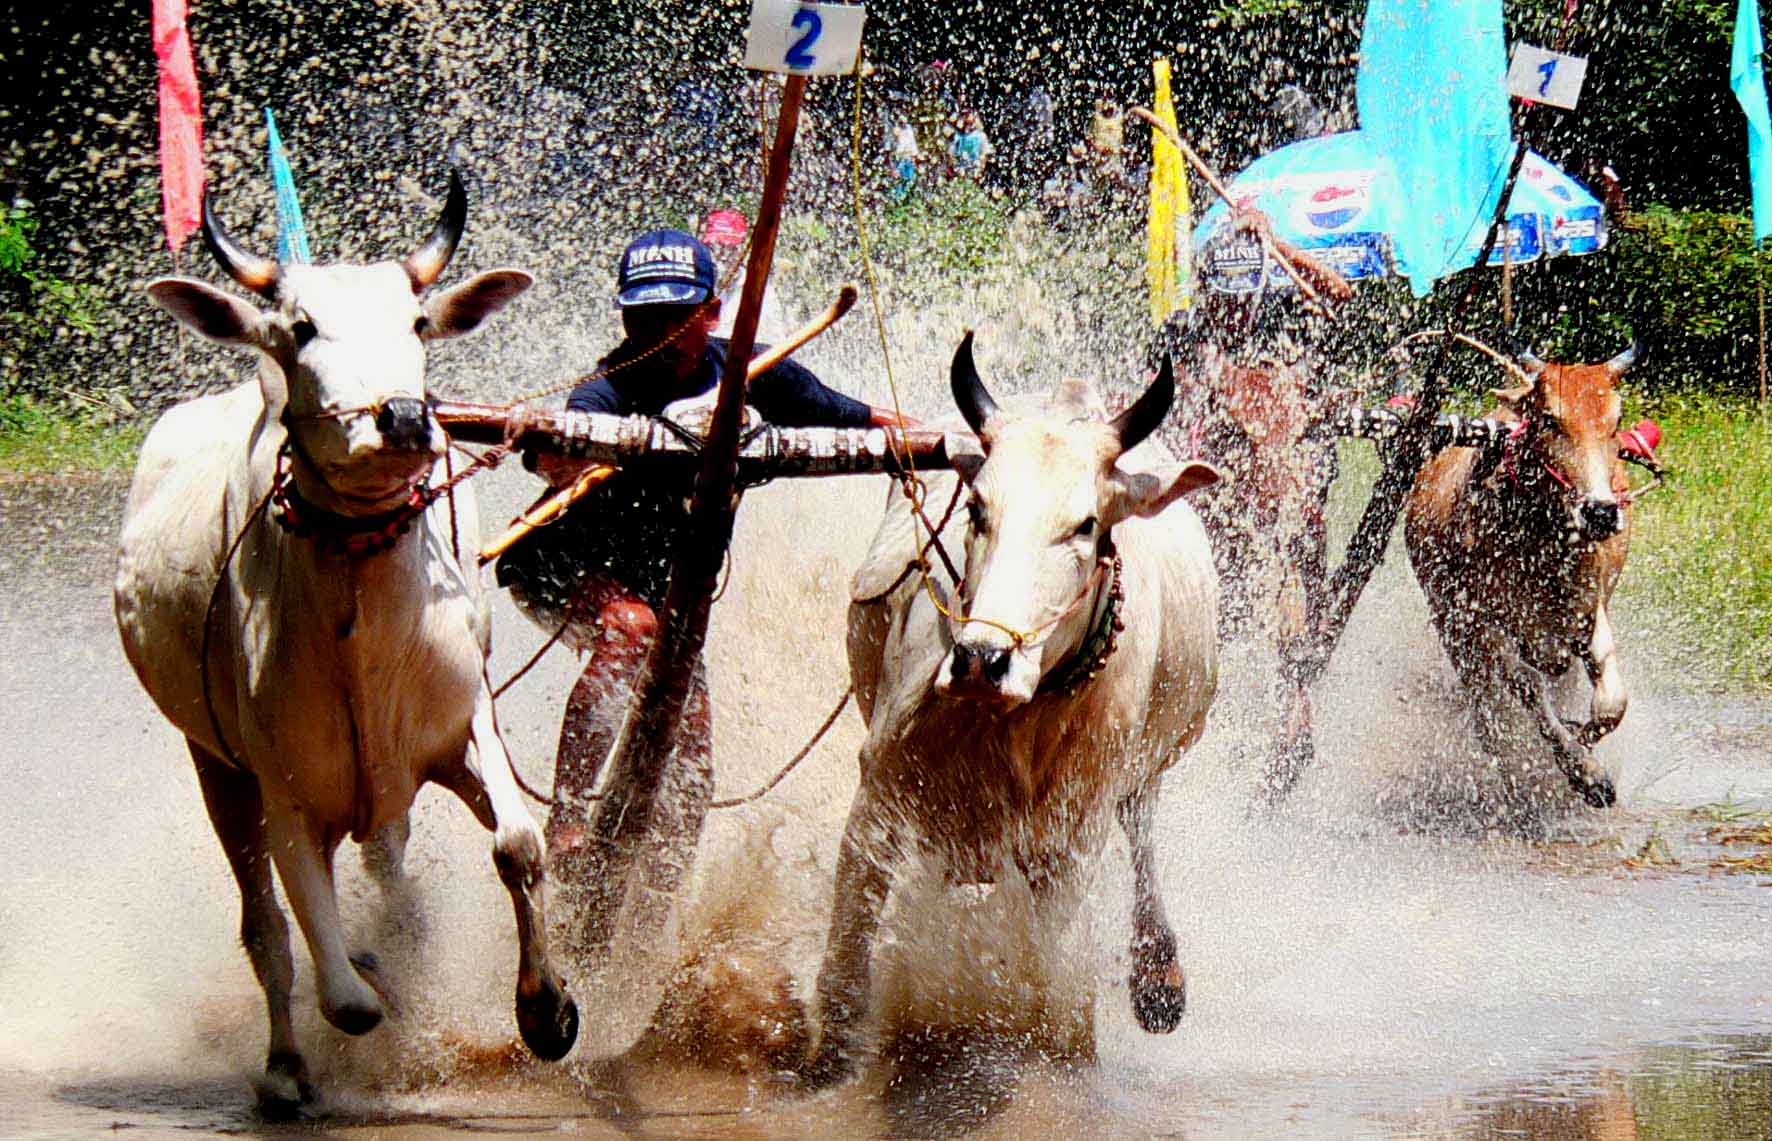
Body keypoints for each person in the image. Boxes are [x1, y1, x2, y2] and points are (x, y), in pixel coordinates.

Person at [495, 230, 914, 878]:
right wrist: (572, 445)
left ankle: (658, 912)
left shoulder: (755, 371)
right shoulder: (608, 388)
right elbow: (560, 456)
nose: (657, 332)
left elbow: (857, 418)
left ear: (712, 313)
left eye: (673, 317)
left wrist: (940, 444)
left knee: (693, 768)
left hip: (675, 589)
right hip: (567, 564)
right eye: (642, 317)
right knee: (632, 630)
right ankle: (569, 813)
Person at [1159, 207, 1354, 804]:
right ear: (1208, 288)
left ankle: (1295, 708)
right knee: (1221, 607)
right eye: (1224, 298)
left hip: (1289, 485)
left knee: (1295, 592)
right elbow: (1155, 402)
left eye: (1242, 298)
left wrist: (1280, 245)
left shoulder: (1279, 315)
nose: (1234, 311)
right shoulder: (1183, 331)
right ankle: (1204, 723)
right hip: (1213, 490)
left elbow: (1341, 296)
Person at [948, 109, 994, 180]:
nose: (968, 121)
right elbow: (951, 151)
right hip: (962, 164)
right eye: (965, 117)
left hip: (973, 163)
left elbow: (985, 152)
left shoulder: (980, 135)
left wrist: (981, 161)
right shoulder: (958, 135)